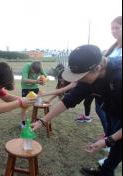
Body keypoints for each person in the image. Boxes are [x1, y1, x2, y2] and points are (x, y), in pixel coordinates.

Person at [32, 45, 122, 176]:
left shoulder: (119, 78)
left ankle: (106, 172)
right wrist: (42, 121)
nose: (77, 79)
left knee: (117, 144)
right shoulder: (89, 78)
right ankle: (105, 171)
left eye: (80, 75)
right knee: (113, 139)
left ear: (97, 68)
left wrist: (108, 141)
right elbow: (69, 100)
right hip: (112, 108)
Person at [96, 15, 122, 166]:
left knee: (117, 123)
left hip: (118, 95)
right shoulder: (112, 49)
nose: (113, 31)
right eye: (112, 28)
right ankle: (109, 141)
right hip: (105, 96)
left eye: (117, 28)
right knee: (108, 120)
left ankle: (111, 156)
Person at [20, 61, 47, 128]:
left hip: (35, 87)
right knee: (24, 105)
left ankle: (35, 120)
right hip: (25, 87)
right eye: (33, 71)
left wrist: (43, 80)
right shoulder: (27, 66)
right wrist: (36, 81)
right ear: (31, 67)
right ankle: (22, 122)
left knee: (37, 103)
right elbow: (24, 80)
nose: (34, 73)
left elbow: (46, 77)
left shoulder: (40, 68)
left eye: (36, 72)